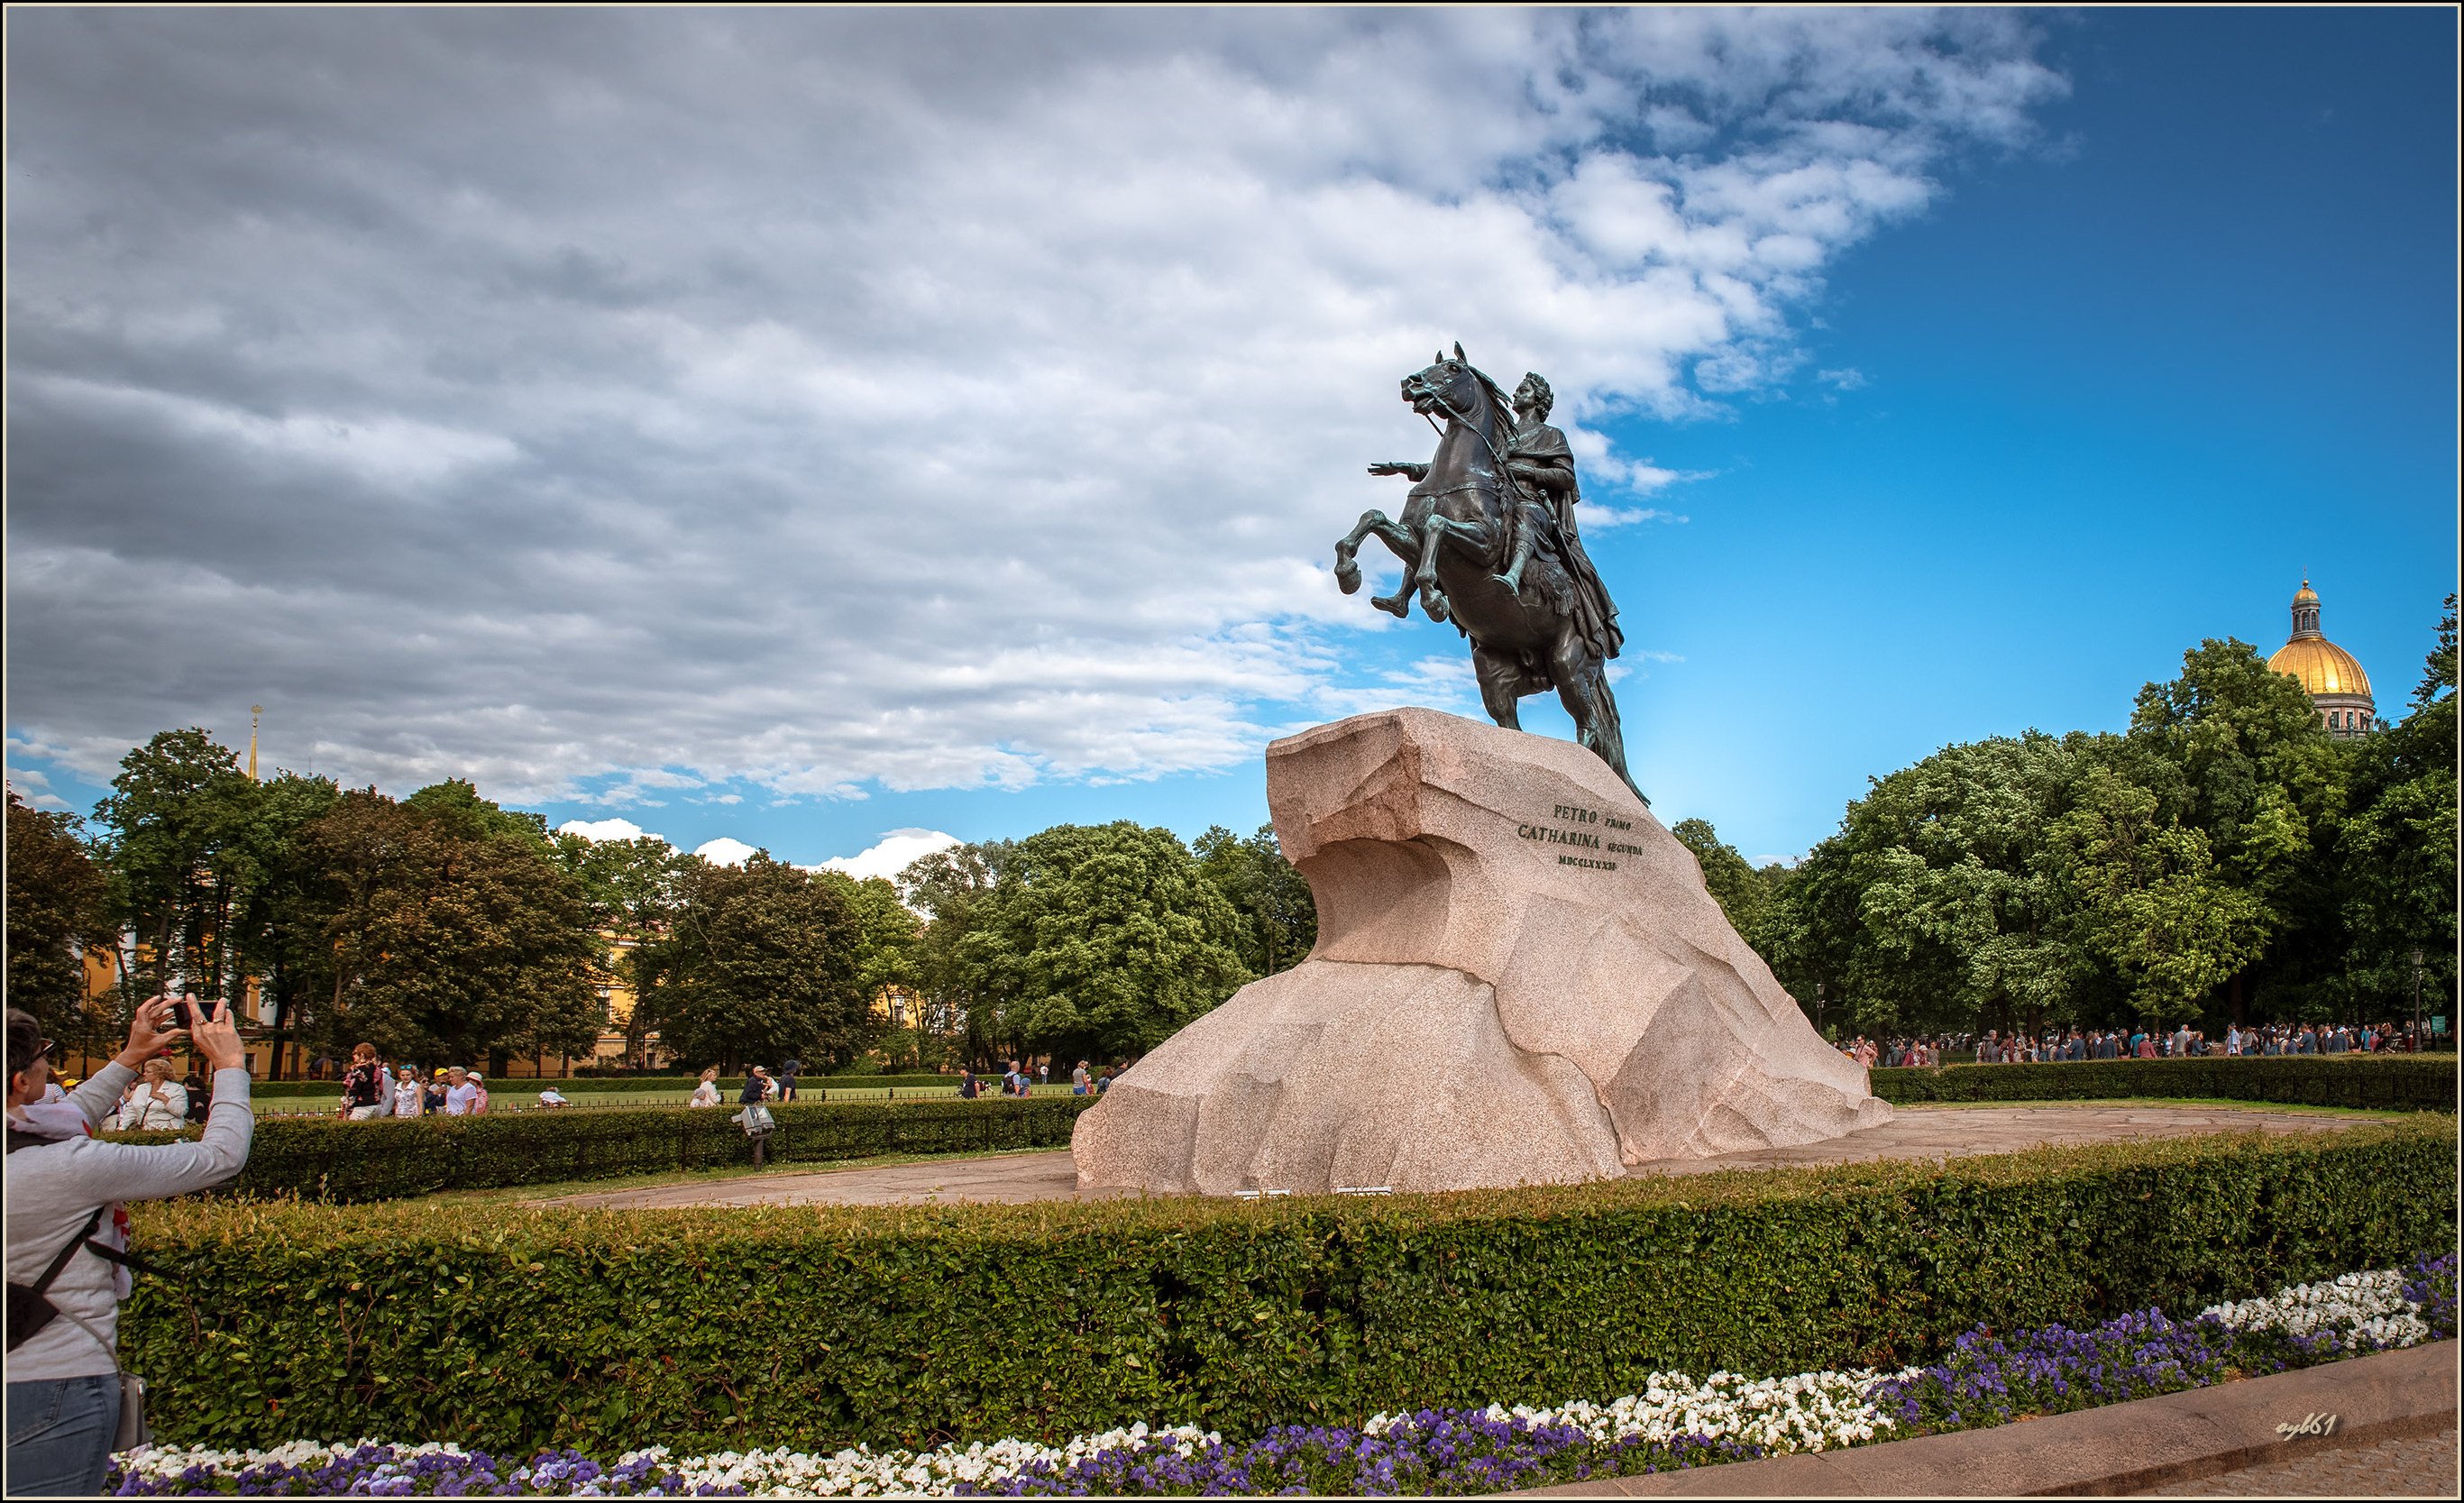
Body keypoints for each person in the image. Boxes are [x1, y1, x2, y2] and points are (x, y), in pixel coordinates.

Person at [7, 997, 254, 1494]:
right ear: (21, 1081)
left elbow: (65, 1117)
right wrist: (230, 1066)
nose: (48, 1066)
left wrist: (128, 1059)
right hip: (50, 1381)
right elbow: (220, 1156)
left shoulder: (30, 1142)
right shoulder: (68, 1167)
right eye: (44, 1056)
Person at [112, 1059, 189, 1133]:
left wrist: (165, 1099)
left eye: (148, 1072)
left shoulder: (177, 1089)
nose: (144, 1074)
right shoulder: (141, 1088)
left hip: (169, 1132)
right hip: (146, 1131)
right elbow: (131, 1110)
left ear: (160, 1074)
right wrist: (121, 1128)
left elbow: (181, 1111)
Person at [342, 1044, 385, 1121]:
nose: (353, 1056)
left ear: (362, 1055)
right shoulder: (377, 1069)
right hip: (376, 1106)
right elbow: (380, 1088)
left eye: (355, 1053)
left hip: (362, 1108)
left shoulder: (358, 1070)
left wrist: (348, 1109)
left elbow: (354, 1090)